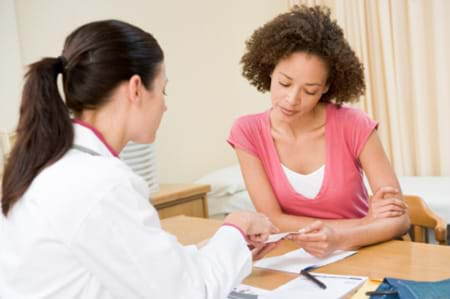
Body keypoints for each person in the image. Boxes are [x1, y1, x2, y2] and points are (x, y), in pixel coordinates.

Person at [0, 20, 279, 298]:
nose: (164, 104)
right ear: (135, 88)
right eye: (162, 90)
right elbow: (189, 292)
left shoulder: (53, 163)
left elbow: (140, 267)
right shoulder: (100, 184)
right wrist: (237, 225)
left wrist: (218, 248)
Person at [227, 6, 410, 258]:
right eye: (284, 83)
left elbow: (399, 220)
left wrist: (340, 239)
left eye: (310, 90)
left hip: (366, 253)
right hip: (298, 258)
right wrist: (366, 223)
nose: (292, 99)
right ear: (269, 69)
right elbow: (272, 219)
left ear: (326, 88)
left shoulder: (354, 125)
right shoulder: (247, 132)